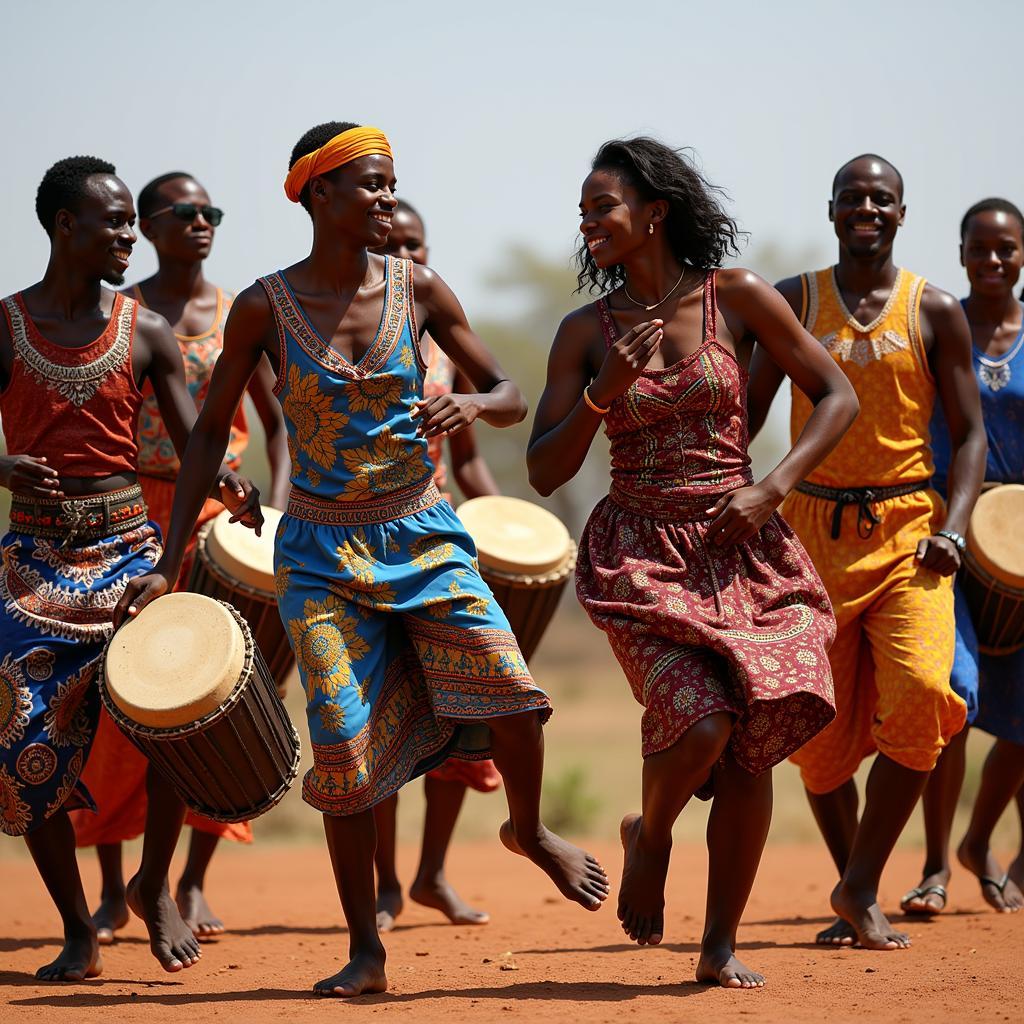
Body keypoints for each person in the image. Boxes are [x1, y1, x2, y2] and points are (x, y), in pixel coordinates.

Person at [115, 121, 609, 998]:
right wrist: (166, 556)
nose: (387, 198)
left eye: (391, 185)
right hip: (319, 555)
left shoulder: (416, 286)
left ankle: (528, 832)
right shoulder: (264, 306)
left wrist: (471, 402)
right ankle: (365, 949)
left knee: (513, 697)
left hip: (423, 534)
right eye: (370, 185)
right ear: (318, 195)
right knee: (342, 746)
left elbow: (510, 390)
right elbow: (201, 442)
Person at [528, 137, 857, 989]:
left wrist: (776, 486)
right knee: (703, 722)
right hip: (641, 558)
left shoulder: (737, 298)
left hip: (745, 548)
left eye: (603, 206)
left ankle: (718, 943)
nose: (588, 221)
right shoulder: (583, 332)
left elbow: (838, 395)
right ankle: (653, 835)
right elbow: (543, 469)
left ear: (655, 211)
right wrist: (603, 391)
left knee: (749, 745)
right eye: (584, 211)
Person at [0, 156, 257, 980]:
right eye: (111, 223)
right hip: (32, 563)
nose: (125, 238)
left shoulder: (145, 330)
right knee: (22, 740)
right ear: (64, 227)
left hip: (128, 552)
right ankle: (78, 926)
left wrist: (204, 515)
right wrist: (0, 468)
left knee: (175, 722)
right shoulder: (3, 327)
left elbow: (195, 449)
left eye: (127, 222)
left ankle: (154, 886)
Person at [747, 154, 988, 950]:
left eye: (881, 199)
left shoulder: (936, 310)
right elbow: (744, 416)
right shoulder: (793, 301)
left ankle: (857, 886)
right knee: (818, 734)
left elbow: (971, 437)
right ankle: (855, 886)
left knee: (923, 691)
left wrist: (952, 527)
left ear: (901, 213)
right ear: (831, 210)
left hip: (909, 535)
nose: (866, 209)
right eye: (853, 198)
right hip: (808, 536)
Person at [70, 171, 291, 943]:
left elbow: (279, 422)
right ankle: (109, 887)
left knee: (209, 702)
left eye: (211, 213)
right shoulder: (119, 314)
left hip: (219, 517)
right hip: (131, 512)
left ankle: (188, 882)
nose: (201, 224)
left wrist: (277, 512)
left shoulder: (238, 314)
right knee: (113, 702)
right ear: (150, 228)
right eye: (183, 213)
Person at [370, 199, 502, 931]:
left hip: (440, 541)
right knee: (383, 715)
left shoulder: (443, 341)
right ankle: (386, 885)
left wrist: (511, 529)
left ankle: (432, 875)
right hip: (369, 547)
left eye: (415, 245)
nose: (405, 257)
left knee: (463, 715)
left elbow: (472, 463)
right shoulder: (349, 333)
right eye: (392, 245)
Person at [902, 198, 1024, 915]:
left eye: (1006, 249)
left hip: (1020, 544)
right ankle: (936, 866)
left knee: (1020, 719)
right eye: (980, 248)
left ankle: (980, 840)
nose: (993, 261)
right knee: (949, 693)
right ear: (961, 252)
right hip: (944, 532)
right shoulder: (937, 325)